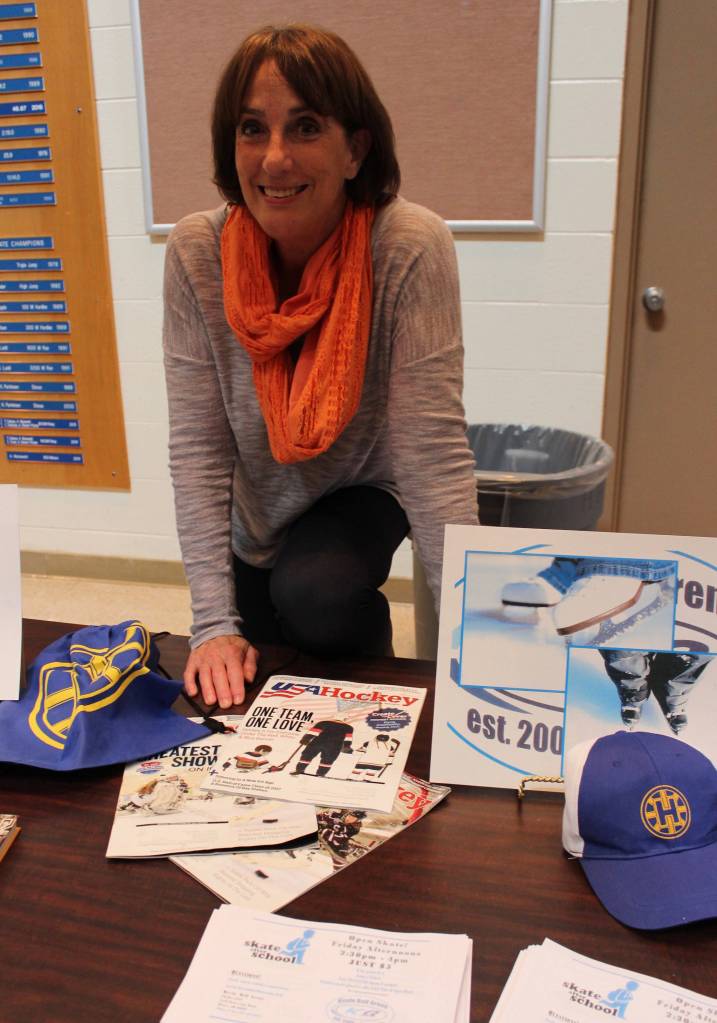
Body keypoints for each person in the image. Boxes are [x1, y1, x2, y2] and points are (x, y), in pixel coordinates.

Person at [163, 24, 478, 711]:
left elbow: (430, 456)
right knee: (254, 669)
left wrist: (475, 637)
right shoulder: (196, 253)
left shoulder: (407, 246)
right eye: (252, 129)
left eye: (305, 127)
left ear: (355, 149)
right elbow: (198, 447)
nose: (274, 159)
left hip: (362, 485)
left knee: (317, 595)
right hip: (262, 504)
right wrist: (212, 624)